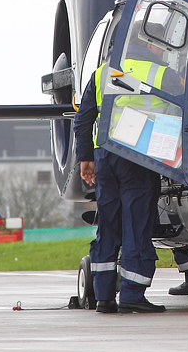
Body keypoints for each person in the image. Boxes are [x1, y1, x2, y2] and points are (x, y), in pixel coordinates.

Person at [73, 38, 180, 314]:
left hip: (105, 156)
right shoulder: (163, 74)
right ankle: (132, 293)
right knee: (137, 224)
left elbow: (83, 119)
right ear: (152, 46)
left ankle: (104, 296)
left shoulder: (102, 72)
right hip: (139, 156)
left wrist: (86, 158)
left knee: (108, 224)